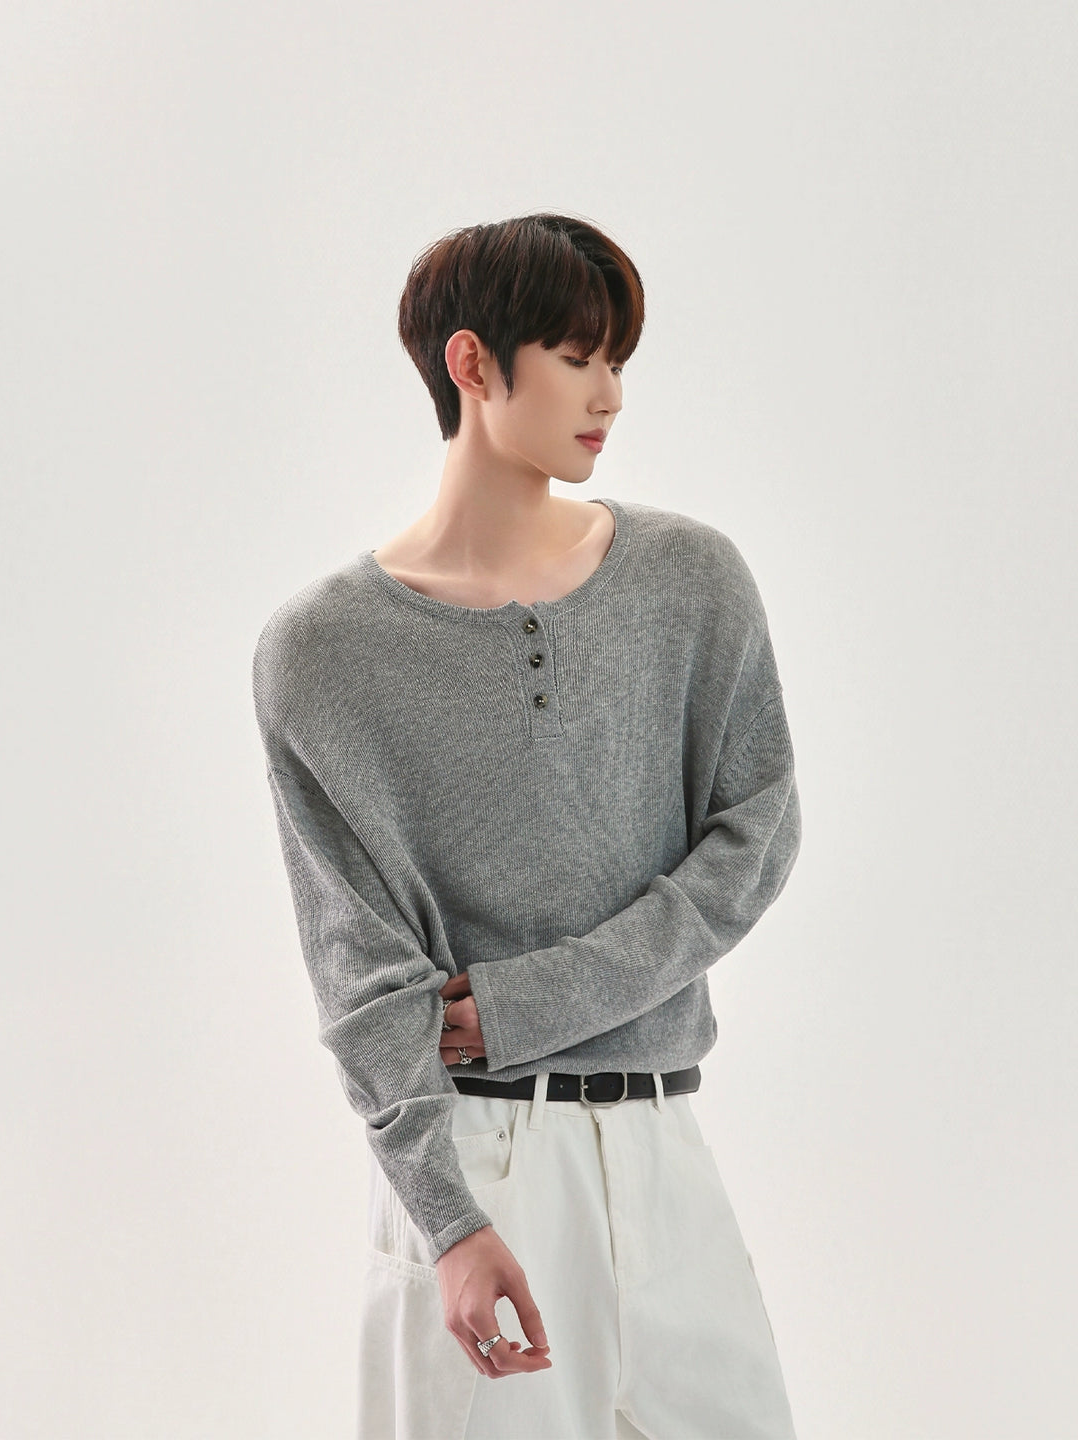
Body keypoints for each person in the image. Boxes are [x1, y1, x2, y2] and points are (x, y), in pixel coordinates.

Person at [251, 212, 802, 1439]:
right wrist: (448, 1223)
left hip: (666, 1148)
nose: (611, 394)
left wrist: (536, 999)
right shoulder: (322, 653)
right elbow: (359, 972)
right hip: (480, 1161)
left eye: (619, 361)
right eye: (577, 355)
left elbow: (757, 831)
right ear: (472, 363)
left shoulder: (691, 581)